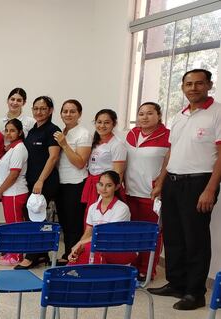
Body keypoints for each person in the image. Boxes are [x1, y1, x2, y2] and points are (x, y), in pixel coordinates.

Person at [148, 69, 221, 311]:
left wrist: (210, 189)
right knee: (173, 236)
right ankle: (177, 283)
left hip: (199, 183)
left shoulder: (217, 112)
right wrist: (161, 182)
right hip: (173, 182)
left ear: (209, 85)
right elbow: (172, 151)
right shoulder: (179, 115)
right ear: (182, 87)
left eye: (199, 83)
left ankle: (195, 293)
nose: (193, 88)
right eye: (188, 84)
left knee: (195, 239)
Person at [124, 102, 169, 281]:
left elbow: (169, 164)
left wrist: (160, 184)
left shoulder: (167, 135)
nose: (144, 117)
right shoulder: (132, 134)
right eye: (141, 113)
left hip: (151, 194)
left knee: (151, 234)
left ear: (159, 115)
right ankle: (133, 265)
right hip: (130, 192)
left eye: (150, 113)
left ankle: (147, 269)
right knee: (132, 233)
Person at [15, 96, 61, 270]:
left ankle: (31, 256)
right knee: (32, 216)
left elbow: (53, 157)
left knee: (35, 216)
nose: (39, 112)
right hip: (32, 180)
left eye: (43, 109)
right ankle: (41, 253)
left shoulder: (52, 130)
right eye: (36, 108)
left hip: (45, 181)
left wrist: (41, 180)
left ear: (50, 110)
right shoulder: (33, 130)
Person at [51, 99, 92, 265]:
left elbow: (80, 162)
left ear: (79, 114)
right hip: (61, 183)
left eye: (72, 111)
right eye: (65, 111)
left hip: (75, 184)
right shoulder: (62, 131)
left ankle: (74, 257)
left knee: (74, 223)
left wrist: (64, 144)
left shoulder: (83, 134)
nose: (68, 114)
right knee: (64, 222)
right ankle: (68, 253)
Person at [68, 170, 135, 265]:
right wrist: (79, 247)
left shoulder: (122, 208)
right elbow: (88, 232)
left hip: (119, 249)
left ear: (116, 187)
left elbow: (109, 235)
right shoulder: (92, 207)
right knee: (79, 254)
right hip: (97, 247)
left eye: (109, 185)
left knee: (92, 248)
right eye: (101, 184)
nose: (103, 188)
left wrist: (80, 243)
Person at [0, 119, 29, 266]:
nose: (8, 133)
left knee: (16, 226)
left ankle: (17, 256)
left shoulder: (19, 149)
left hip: (15, 192)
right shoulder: (11, 148)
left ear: (20, 132)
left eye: (12, 130)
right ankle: (12, 252)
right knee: (11, 225)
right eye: (6, 130)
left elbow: (14, 174)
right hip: (9, 193)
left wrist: (0, 191)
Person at [80, 109, 126, 213]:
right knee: (92, 215)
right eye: (99, 122)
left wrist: (108, 192)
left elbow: (118, 173)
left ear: (114, 124)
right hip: (93, 184)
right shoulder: (94, 141)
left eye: (107, 122)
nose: (102, 126)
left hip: (106, 187)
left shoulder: (117, 145)